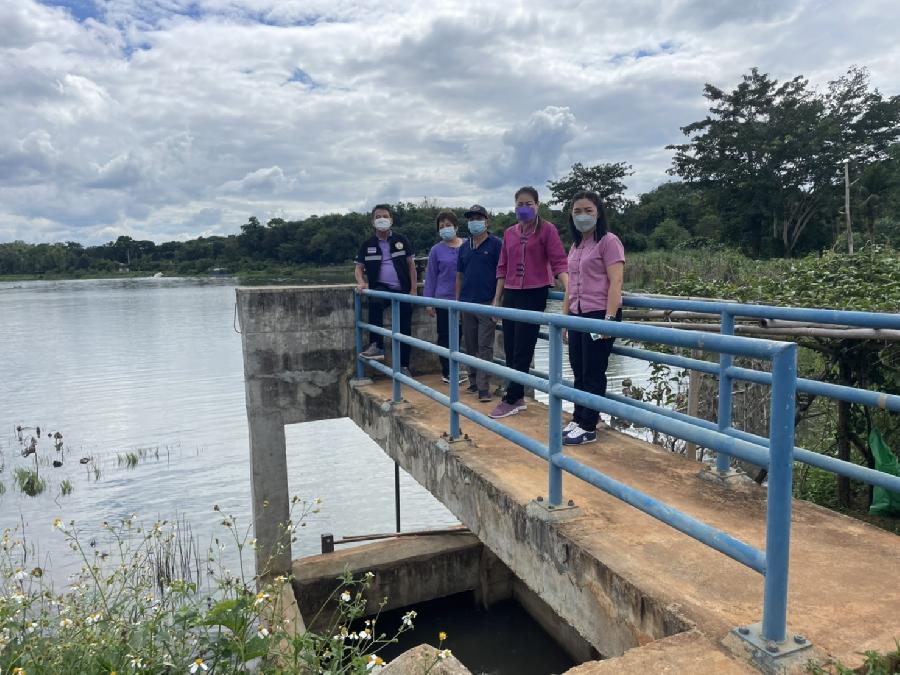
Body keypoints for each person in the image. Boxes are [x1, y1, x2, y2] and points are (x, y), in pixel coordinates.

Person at [490, 187, 568, 418]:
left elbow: (559, 261)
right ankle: (517, 395)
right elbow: (502, 267)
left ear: (537, 205)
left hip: (534, 292)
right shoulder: (510, 233)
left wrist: (569, 287)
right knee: (510, 346)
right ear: (515, 207)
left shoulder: (547, 229)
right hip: (511, 292)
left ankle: (512, 397)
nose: (524, 208)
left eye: (529, 204)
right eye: (520, 204)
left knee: (523, 347)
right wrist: (496, 299)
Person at [560, 190, 625, 445]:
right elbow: (570, 286)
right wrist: (565, 319)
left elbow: (616, 281)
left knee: (593, 370)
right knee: (578, 367)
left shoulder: (609, 241)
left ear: (598, 214)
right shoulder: (577, 245)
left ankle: (589, 425)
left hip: (599, 314)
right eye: (577, 211)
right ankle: (579, 417)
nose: (583, 216)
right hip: (577, 314)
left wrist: (609, 318)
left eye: (588, 210)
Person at [355, 204, 417, 376]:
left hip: (403, 289)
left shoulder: (401, 240)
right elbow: (359, 268)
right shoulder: (367, 244)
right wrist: (361, 282)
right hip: (381, 287)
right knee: (374, 302)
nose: (381, 219)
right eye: (378, 217)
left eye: (385, 216)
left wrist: (413, 290)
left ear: (391, 220)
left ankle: (404, 366)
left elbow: (411, 266)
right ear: (372, 221)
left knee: (405, 329)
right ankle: (377, 346)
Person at [456, 205, 503, 402]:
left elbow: (502, 274)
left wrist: (496, 301)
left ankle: (484, 388)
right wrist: (457, 302)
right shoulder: (464, 247)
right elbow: (459, 276)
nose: (474, 222)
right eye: (471, 219)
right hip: (467, 303)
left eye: (478, 218)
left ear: (486, 221)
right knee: (470, 344)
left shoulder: (496, 245)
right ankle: (473, 381)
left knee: (485, 346)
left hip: (486, 303)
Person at [424, 211, 467, 384]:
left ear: (456, 227)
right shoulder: (436, 250)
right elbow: (431, 276)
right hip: (443, 299)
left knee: (460, 335)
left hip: (464, 299)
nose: (445, 228)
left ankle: (458, 369)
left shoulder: (467, 245)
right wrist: (429, 301)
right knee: (445, 336)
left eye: (448, 225)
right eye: (441, 226)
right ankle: (447, 371)